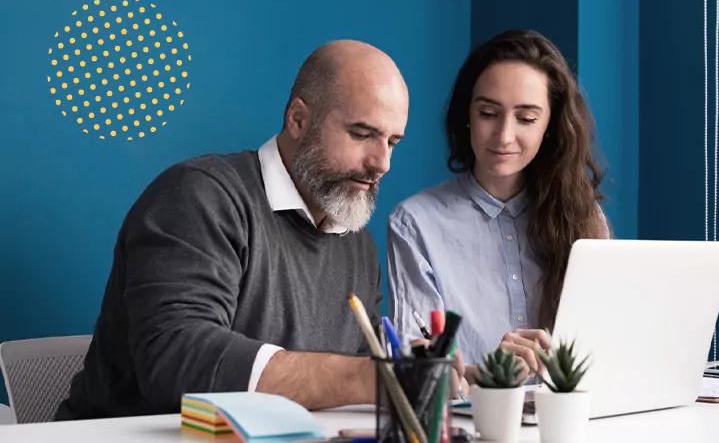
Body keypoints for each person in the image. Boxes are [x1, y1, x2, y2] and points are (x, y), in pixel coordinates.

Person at [56, 40, 466, 420]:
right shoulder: (199, 197)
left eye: (392, 142)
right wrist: (369, 378)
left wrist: (417, 366)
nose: (382, 163)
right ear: (299, 120)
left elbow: (361, 372)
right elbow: (175, 360)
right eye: (363, 134)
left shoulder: (356, 242)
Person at [387, 30, 611, 382]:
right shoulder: (416, 223)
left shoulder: (583, 217)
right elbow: (416, 371)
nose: (504, 136)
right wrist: (492, 374)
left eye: (526, 119)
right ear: (467, 115)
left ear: (550, 126)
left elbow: (608, 343)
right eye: (489, 113)